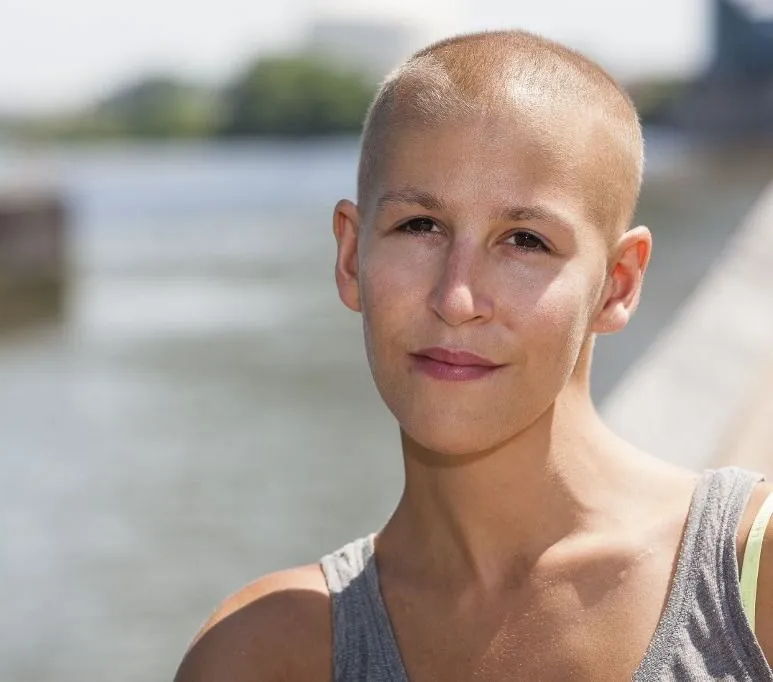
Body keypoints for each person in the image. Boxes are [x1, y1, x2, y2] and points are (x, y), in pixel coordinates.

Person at [174, 30, 773, 680]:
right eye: (419, 226)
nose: (456, 298)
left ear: (617, 284)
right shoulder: (262, 654)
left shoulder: (751, 577)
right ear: (350, 257)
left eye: (523, 240)